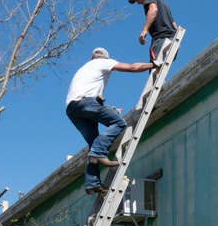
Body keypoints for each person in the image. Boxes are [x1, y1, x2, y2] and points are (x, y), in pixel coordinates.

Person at [65, 47, 155, 195]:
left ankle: (92, 184)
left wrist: (112, 110)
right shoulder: (104, 63)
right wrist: (153, 64)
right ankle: (99, 154)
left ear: (91, 57)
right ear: (105, 58)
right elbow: (133, 67)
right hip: (85, 102)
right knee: (119, 123)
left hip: (72, 109)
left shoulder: (85, 68)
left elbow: (93, 100)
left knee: (94, 144)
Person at [128, 0, 178, 64]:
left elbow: (153, 10)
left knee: (155, 68)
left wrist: (144, 30)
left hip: (161, 39)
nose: (138, 3)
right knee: (161, 68)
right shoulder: (162, 3)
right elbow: (173, 23)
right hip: (172, 39)